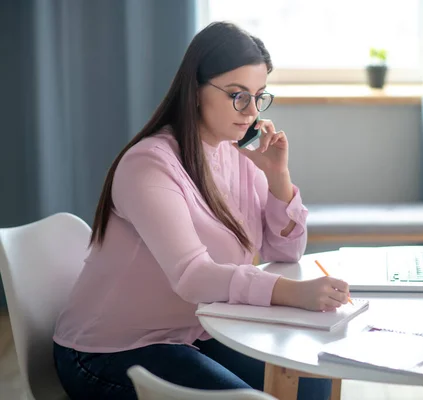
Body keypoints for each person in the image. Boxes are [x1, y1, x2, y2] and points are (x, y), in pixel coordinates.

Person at [52, 21, 349, 400]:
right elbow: (192, 277)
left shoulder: (239, 153)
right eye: (238, 95)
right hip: (108, 350)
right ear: (195, 90)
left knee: (311, 380)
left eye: (259, 96)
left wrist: (279, 177)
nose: (251, 111)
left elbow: (285, 252)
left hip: (192, 333)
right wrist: (293, 293)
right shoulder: (149, 165)